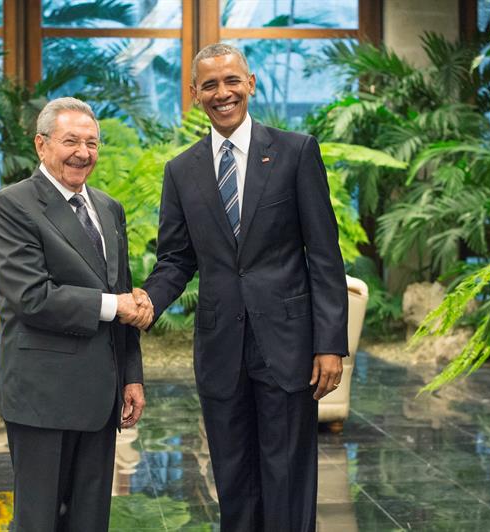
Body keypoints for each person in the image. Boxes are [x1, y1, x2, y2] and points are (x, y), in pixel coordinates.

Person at [137, 44, 349, 532]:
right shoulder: (181, 171)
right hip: (220, 348)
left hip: (288, 345)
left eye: (231, 80)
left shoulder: (296, 152)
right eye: (209, 85)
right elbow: (175, 259)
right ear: (194, 94)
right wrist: (148, 300)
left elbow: (323, 254)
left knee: (288, 475)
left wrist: (329, 344)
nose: (222, 93)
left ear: (250, 84)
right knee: (233, 480)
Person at [0, 97, 153, 532]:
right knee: (39, 521)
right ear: (42, 145)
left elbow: (123, 295)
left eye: (92, 143)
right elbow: (30, 296)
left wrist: (131, 376)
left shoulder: (109, 207)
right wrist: (114, 306)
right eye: (71, 141)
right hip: (42, 397)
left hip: (101, 398)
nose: (83, 152)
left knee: (90, 520)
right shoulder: (12, 206)